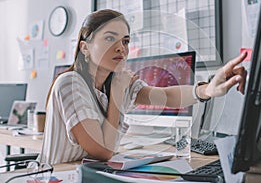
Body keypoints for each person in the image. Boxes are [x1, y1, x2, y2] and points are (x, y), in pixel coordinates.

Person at [39, 9, 247, 164]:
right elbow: (103, 151)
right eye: (110, 38)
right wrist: (118, 95)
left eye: (126, 41)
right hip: (58, 177)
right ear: (85, 47)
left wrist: (208, 89)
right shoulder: (71, 83)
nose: (121, 48)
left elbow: (165, 95)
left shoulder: (116, 81)